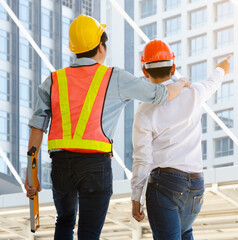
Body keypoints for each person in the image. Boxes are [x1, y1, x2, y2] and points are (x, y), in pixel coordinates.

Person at [24, 15, 190, 240]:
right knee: (89, 233)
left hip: (61, 165)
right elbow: (160, 95)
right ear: (101, 46)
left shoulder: (54, 80)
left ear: (74, 48)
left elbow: (37, 126)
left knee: (64, 221)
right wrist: (180, 83)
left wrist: (30, 172)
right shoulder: (114, 77)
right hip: (95, 166)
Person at [131, 39, 230, 240]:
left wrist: (136, 198)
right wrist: (222, 67)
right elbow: (214, 82)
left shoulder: (144, 111)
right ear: (173, 67)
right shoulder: (193, 92)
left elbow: (142, 159)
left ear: (145, 72)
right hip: (196, 186)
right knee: (185, 233)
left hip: (165, 185)